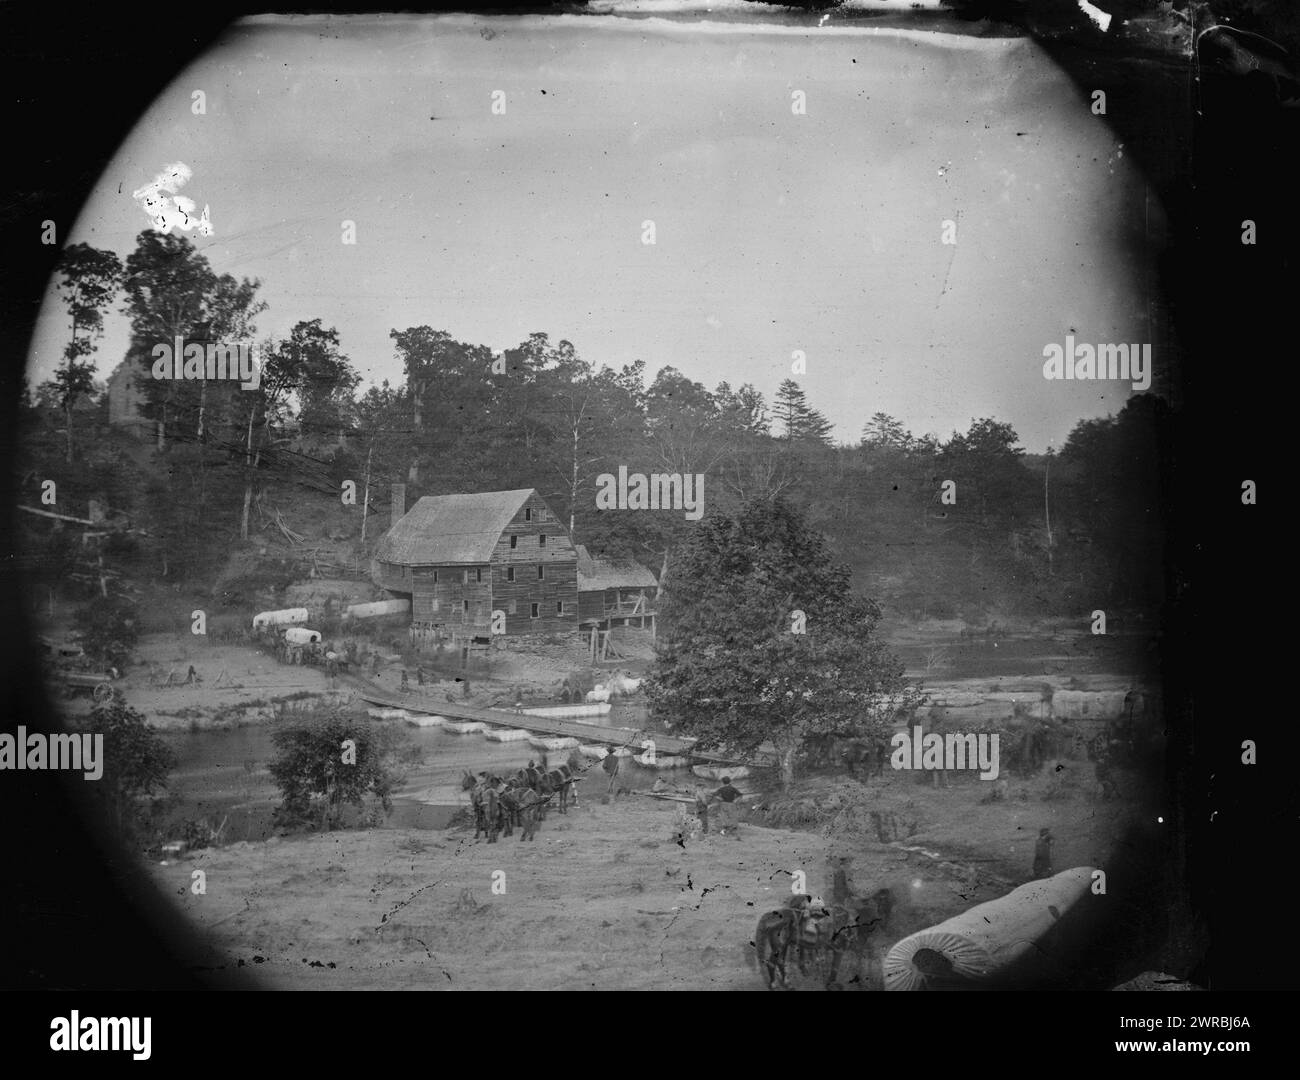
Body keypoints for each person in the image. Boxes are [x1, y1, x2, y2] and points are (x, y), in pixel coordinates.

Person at [484, 778, 501, 844]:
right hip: (491, 809)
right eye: (494, 783)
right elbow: (490, 801)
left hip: (492, 809)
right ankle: (492, 838)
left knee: (493, 824)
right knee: (492, 824)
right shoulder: (491, 791)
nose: (496, 784)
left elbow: (495, 801)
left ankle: (493, 838)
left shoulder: (493, 791)